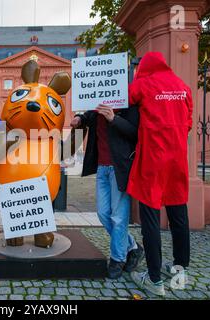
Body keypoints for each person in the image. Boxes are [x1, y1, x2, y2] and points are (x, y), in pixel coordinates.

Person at [127, 52, 193, 296]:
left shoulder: (143, 84)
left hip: (153, 159)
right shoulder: (182, 87)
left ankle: (154, 280)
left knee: (151, 218)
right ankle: (179, 269)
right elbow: (188, 122)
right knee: (179, 214)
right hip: (177, 159)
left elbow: (125, 98)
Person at [71, 103, 144, 279]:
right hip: (102, 168)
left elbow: (136, 133)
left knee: (118, 217)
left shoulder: (129, 106)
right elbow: (89, 114)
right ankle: (132, 246)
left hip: (120, 168)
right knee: (103, 213)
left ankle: (117, 259)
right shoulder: (97, 108)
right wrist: (80, 118)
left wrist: (114, 119)